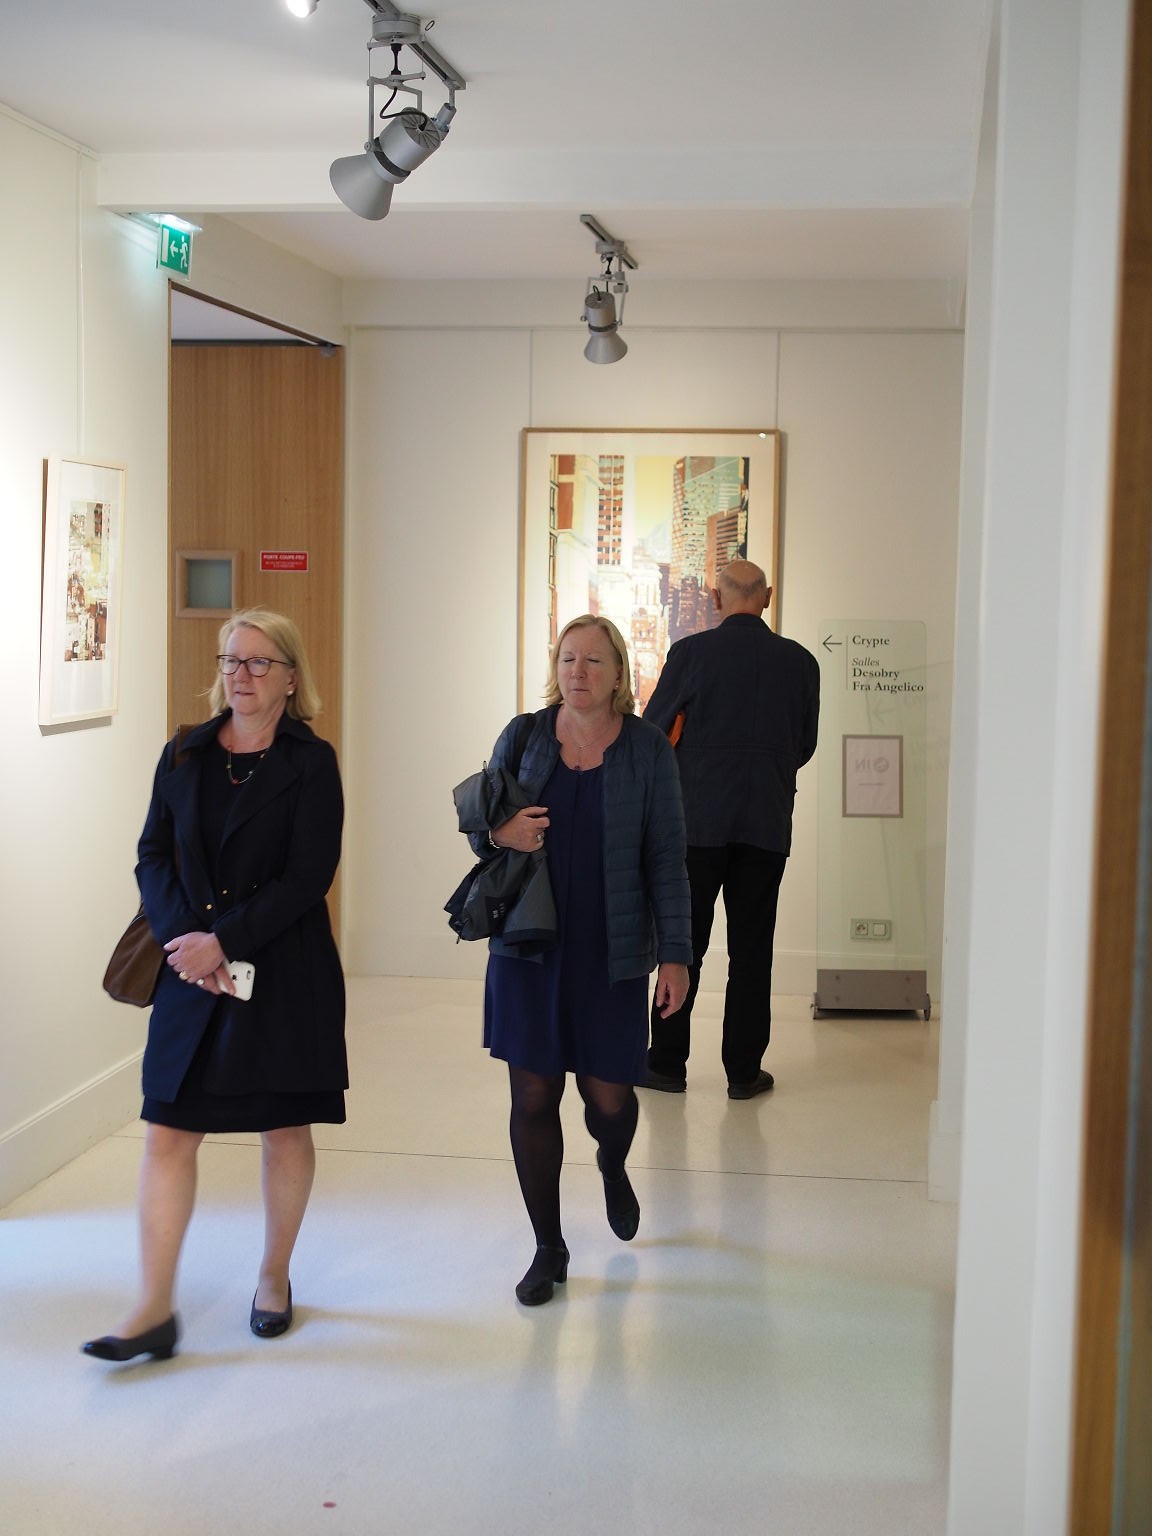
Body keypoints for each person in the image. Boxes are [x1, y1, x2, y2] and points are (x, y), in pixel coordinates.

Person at [82, 609, 346, 1362]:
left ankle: (273, 1276)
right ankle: (152, 1310)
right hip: (189, 973)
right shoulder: (186, 752)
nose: (241, 674)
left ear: (291, 678)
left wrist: (223, 942)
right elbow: (152, 855)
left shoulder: (311, 762)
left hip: (282, 972)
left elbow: (307, 877)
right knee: (168, 1131)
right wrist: (185, 945)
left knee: (283, 1128)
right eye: (232, 660)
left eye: (260, 662)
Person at [474, 615, 692, 1306]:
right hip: (529, 947)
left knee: (610, 1099)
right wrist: (500, 832)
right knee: (533, 1095)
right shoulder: (525, 736)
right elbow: (483, 823)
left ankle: (612, 1162)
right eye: (569, 658)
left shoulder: (647, 750)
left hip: (611, 950)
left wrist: (677, 956)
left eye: (594, 660)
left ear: (619, 672)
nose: (579, 672)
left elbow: (668, 857)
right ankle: (549, 1246)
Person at [641, 560, 819, 1098]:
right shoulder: (801, 663)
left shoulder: (690, 654)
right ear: (767, 597)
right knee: (752, 950)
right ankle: (743, 1072)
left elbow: (652, 731)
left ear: (717, 599)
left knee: (683, 943)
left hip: (697, 823)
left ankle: (666, 1064)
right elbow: (804, 746)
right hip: (766, 821)